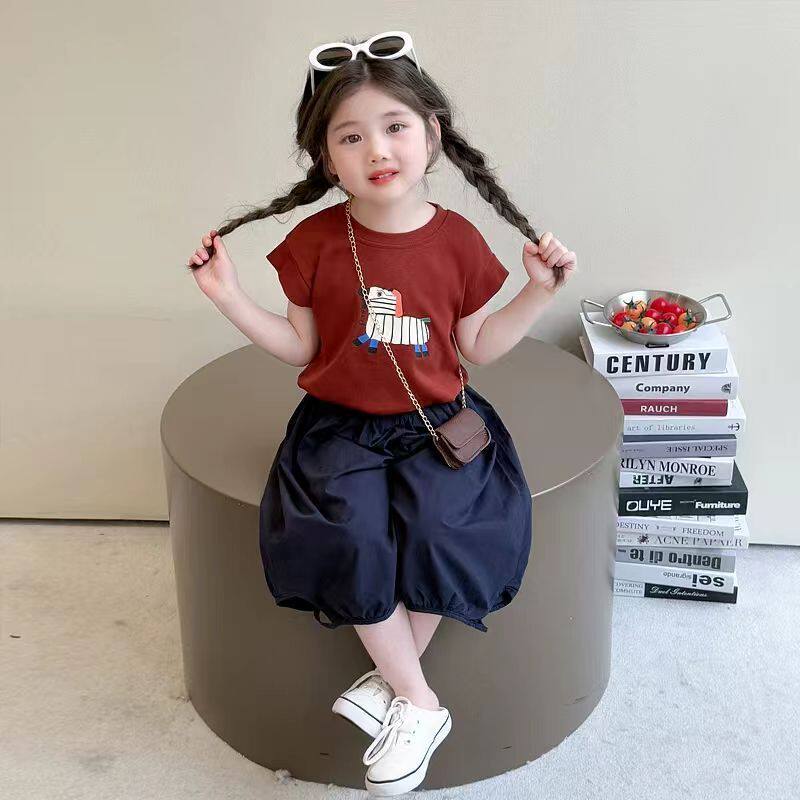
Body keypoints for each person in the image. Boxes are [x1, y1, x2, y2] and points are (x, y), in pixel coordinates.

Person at [186, 30, 577, 797]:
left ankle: (390, 683)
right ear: (325, 158)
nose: (378, 150)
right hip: (339, 427)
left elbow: (478, 346)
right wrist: (228, 297)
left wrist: (538, 292)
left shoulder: (459, 242)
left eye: (395, 126)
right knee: (347, 533)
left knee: (449, 529)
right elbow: (301, 347)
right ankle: (418, 700)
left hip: (437, 423)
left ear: (432, 132)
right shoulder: (314, 242)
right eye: (350, 136)